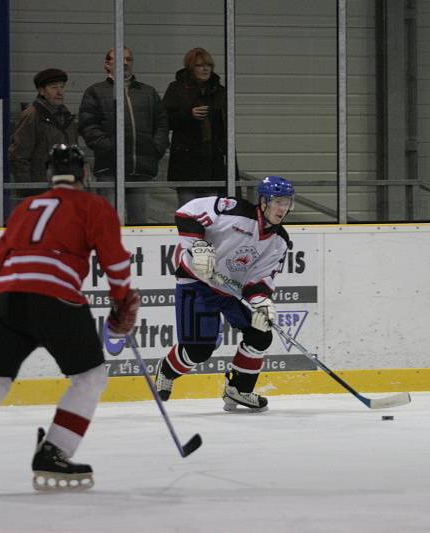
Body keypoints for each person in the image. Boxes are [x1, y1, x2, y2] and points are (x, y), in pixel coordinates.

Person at [0, 144, 141, 491]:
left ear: (49, 174)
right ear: (83, 173)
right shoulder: (93, 205)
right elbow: (115, 261)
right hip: (55, 296)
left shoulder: (27, 205)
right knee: (91, 377)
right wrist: (121, 303)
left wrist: (8, 299)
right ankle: (54, 452)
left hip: (7, 295)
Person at [153, 176, 295, 412]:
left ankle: (238, 390)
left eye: (287, 203)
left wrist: (261, 302)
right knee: (199, 350)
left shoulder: (280, 241)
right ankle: (166, 371)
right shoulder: (233, 211)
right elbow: (187, 213)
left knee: (260, 334)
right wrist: (198, 246)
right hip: (196, 281)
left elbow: (258, 279)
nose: (282, 208)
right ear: (263, 201)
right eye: (277, 202)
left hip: (231, 289)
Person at [79, 47, 168, 224]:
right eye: (120, 59)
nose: (125, 63)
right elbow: (88, 126)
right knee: (107, 223)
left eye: (128, 59)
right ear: (107, 64)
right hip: (109, 169)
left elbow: (162, 124)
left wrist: (154, 149)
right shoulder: (95, 92)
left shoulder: (148, 92)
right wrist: (110, 149)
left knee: (140, 224)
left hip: (140, 169)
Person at [162, 47, 227, 207]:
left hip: (212, 162)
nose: (205, 69)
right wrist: (188, 115)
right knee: (189, 212)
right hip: (186, 162)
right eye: (200, 65)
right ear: (191, 68)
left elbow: (225, 126)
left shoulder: (219, 91)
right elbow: (164, 120)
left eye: (208, 65)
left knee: (212, 215)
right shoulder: (177, 89)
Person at [9, 68, 78, 183]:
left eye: (62, 87)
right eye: (54, 87)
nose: (60, 92)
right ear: (42, 91)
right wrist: (27, 189)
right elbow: (19, 156)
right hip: (40, 188)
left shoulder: (67, 117)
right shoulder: (32, 116)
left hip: (65, 186)